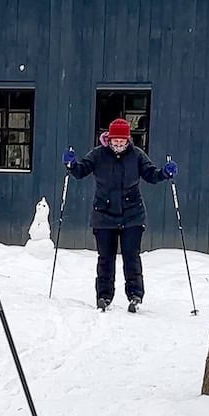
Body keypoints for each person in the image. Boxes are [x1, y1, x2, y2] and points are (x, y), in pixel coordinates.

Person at [63, 118, 177, 313]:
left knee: (131, 256)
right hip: (104, 215)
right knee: (105, 258)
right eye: (114, 141)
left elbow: (151, 174)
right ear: (108, 138)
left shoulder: (137, 155)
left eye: (121, 142)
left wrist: (164, 174)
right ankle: (104, 296)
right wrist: (72, 164)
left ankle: (135, 295)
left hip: (132, 214)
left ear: (128, 140)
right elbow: (81, 171)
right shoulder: (98, 154)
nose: (117, 145)